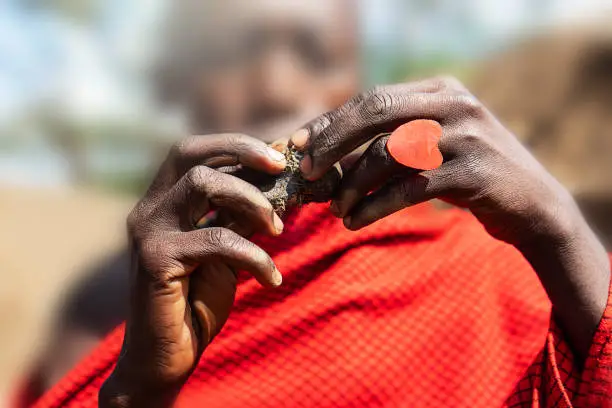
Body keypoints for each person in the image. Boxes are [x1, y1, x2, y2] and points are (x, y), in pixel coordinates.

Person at [19, 3, 612, 408]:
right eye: (234, 51)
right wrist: (137, 391)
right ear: (177, 76)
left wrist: (556, 227)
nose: (276, 85)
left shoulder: (476, 274)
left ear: (350, 81)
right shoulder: (102, 302)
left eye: (313, 53)